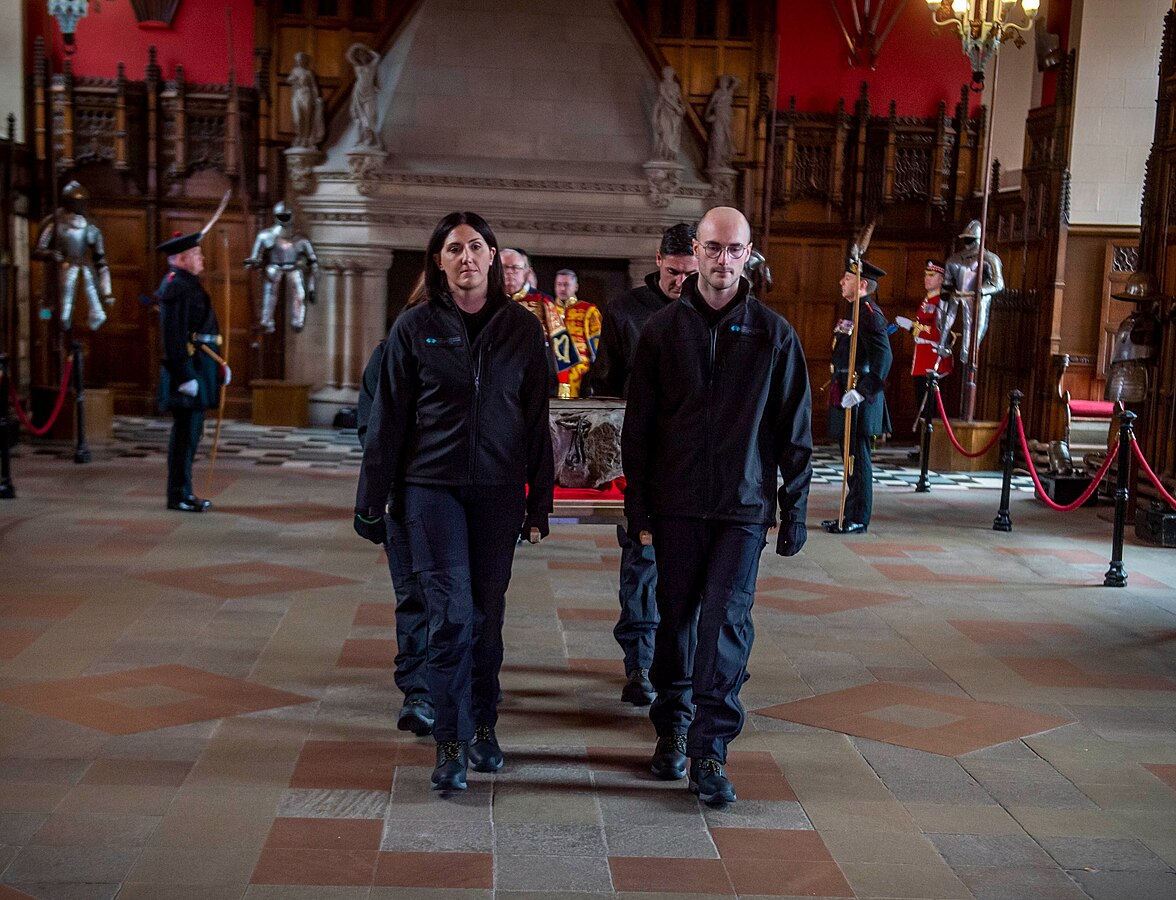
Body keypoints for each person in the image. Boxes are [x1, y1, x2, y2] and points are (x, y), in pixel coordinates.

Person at [354, 211, 554, 793]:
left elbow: (536, 421)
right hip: (430, 489)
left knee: (487, 618)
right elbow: (387, 421)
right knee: (451, 615)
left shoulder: (522, 329)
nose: (466, 257)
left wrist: (539, 502)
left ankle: (483, 724)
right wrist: (371, 501)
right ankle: (450, 740)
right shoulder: (414, 328)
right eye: (453, 249)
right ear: (438, 262)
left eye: (475, 247)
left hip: (497, 492)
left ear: (493, 255)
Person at [623, 206, 812, 805]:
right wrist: (639, 511)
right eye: (713, 247)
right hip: (675, 505)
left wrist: (796, 508)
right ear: (696, 252)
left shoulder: (773, 334)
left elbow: (794, 430)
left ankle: (710, 750)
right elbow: (639, 429)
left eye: (734, 249)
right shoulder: (661, 331)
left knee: (725, 624)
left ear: (747, 254)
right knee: (675, 623)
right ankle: (673, 728)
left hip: (742, 506)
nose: (723, 259)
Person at [588, 223, 698, 707]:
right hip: (643, 456)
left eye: (690, 273)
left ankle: (687, 662)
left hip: (696, 459)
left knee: (694, 567)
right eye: (674, 272)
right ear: (658, 261)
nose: (681, 282)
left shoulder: (710, 307)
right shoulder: (625, 311)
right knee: (642, 560)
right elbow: (606, 384)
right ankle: (639, 660)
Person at [357, 336, 432, 737]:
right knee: (413, 592)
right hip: (404, 493)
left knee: (472, 600)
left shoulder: (491, 339)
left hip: (470, 496)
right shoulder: (391, 350)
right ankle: (420, 692)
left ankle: (469, 684)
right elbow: (371, 428)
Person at [156, 229, 229, 512]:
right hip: (187, 372)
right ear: (182, 259)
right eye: (196, 254)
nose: (202, 258)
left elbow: (202, 333)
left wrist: (219, 365)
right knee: (184, 438)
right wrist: (184, 376)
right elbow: (173, 336)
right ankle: (178, 495)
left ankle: (184, 492)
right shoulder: (176, 286)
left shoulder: (187, 284)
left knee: (191, 436)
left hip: (200, 367)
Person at [822, 257, 893, 535]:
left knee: (858, 461)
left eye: (848, 278)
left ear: (862, 284)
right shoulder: (854, 312)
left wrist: (862, 392)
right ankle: (848, 513)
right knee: (849, 458)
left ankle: (858, 518)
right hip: (846, 390)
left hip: (860, 396)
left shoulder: (869, 314)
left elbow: (883, 358)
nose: (842, 282)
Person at [35, 180, 115, 331]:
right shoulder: (54, 223)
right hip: (58, 268)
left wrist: (107, 292)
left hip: (83, 268)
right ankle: (47, 326)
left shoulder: (90, 226)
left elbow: (100, 259)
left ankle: (72, 327)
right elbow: (38, 250)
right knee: (49, 304)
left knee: (94, 308)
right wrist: (50, 254)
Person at [502, 247, 572, 392]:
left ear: (526, 272)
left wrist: (564, 382)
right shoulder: (484, 300)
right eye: (504, 267)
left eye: (515, 268)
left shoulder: (542, 301)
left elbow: (560, 341)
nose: (509, 272)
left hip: (535, 375)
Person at [244, 202, 320, 333]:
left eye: (286, 216)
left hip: (293, 268)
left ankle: (298, 321)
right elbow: (257, 257)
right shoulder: (266, 235)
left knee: (299, 294)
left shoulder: (300, 239)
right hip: (274, 267)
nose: (284, 219)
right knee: (269, 293)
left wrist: (312, 287)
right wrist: (253, 262)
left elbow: (313, 262)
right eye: (281, 216)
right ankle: (266, 321)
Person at [894, 259, 953, 422]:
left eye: (932, 275)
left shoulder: (942, 301)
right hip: (923, 356)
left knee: (930, 405)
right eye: (926, 275)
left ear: (941, 279)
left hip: (933, 356)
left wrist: (911, 327)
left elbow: (937, 333)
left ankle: (930, 435)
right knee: (921, 401)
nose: (927, 278)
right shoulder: (928, 299)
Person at [552, 269, 601, 399]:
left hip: (580, 367)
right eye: (559, 284)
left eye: (566, 284)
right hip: (552, 364)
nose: (562, 288)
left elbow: (597, 343)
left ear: (576, 287)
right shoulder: (548, 308)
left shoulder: (588, 310)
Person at [289, 51, 325, 150]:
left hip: (307, 94)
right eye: (298, 59)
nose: (300, 61)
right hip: (297, 94)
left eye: (301, 59)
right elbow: (289, 80)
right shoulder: (295, 71)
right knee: (298, 117)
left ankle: (305, 138)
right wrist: (295, 80)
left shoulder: (308, 72)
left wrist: (316, 97)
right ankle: (299, 136)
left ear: (304, 60)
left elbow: (313, 86)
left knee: (307, 116)